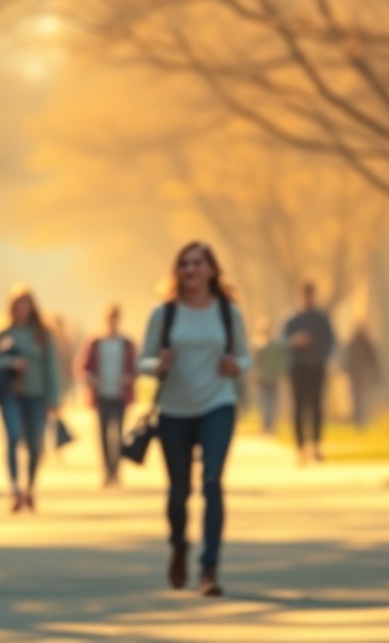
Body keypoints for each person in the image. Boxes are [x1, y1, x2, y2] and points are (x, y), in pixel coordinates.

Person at [139, 242, 250, 598]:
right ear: (177, 271)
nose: (191, 270)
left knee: (213, 481)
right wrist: (159, 365)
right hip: (175, 410)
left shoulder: (228, 312)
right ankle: (179, 545)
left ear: (212, 270)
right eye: (184, 264)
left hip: (218, 403)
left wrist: (236, 366)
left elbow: (247, 358)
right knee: (179, 492)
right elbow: (143, 359)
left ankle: (209, 568)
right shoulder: (164, 314)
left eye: (198, 264)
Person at [0, 287, 61, 514]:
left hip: (36, 395)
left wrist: (54, 397)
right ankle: (14, 488)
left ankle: (30, 487)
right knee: (11, 436)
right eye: (18, 305)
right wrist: (10, 363)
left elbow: (51, 367)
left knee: (34, 443)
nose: (22, 309)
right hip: (10, 394)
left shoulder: (41, 334)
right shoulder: (4, 333)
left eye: (26, 304)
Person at [77, 303, 138, 488]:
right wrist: (90, 379)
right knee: (103, 435)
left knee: (119, 434)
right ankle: (106, 471)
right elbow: (82, 367)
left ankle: (116, 470)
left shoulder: (127, 343)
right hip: (101, 394)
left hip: (120, 395)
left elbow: (136, 367)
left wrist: (129, 378)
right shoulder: (96, 342)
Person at [283, 281, 336, 464]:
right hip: (297, 367)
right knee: (298, 407)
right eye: (304, 295)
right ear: (299, 296)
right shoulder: (291, 319)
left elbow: (331, 341)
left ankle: (316, 445)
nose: (307, 298)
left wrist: (324, 355)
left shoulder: (322, 318)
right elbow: (281, 343)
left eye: (310, 295)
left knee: (316, 406)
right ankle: (300, 447)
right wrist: (293, 342)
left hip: (316, 366)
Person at [251, 320, 289, 437]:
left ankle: (269, 426)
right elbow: (255, 363)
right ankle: (267, 426)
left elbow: (281, 361)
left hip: (270, 378)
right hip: (264, 379)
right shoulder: (260, 345)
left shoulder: (271, 345)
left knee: (270, 403)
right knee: (267, 404)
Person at [343, 323, 382, 431]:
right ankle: (358, 420)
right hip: (356, 374)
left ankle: (363, 419)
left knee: (362, 397)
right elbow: (348, 359)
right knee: (357, 398)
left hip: (362, 374)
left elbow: (372, 359)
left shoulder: (362, 343)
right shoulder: (354, 342)